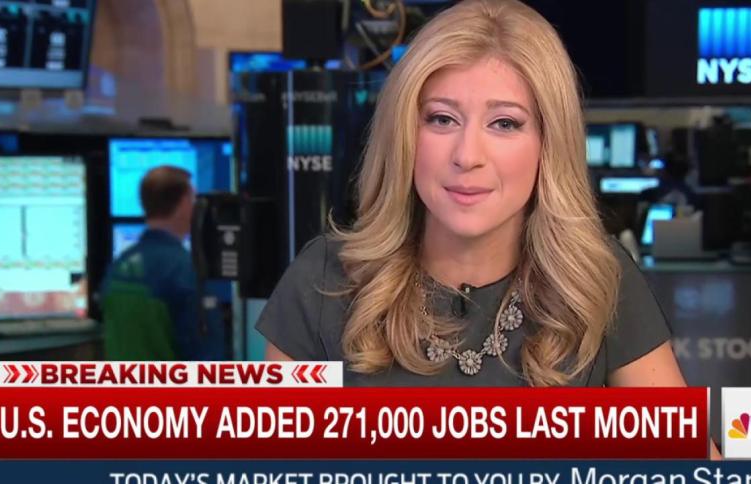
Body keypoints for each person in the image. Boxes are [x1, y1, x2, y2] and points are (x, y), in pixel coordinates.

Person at [256, 0, 719, 456]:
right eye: (442, 119)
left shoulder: (596, 278)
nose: (467, 155)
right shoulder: (325, 278)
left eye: (504, 123)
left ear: (548, 143)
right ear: (404, 136)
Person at [101, 166, 223, 360]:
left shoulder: (117, 268)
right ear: (183, 203)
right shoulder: (185, 271)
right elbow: (207, 357)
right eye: (192, 200)